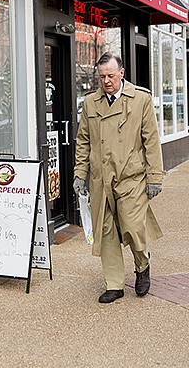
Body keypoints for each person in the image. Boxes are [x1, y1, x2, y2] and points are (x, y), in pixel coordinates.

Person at [73, 52, 164, 304]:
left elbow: (151, 141)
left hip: (131, 177)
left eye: (111, 75)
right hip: (101, 179)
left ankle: (142, 265)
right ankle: (114, 284)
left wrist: (155, 176)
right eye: (102, 77)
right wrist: (80, 174)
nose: (106, 81)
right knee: (107, 231)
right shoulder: (90, 103)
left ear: (121, 73)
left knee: (133, 227)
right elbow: (83, 142)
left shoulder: (140, 99)